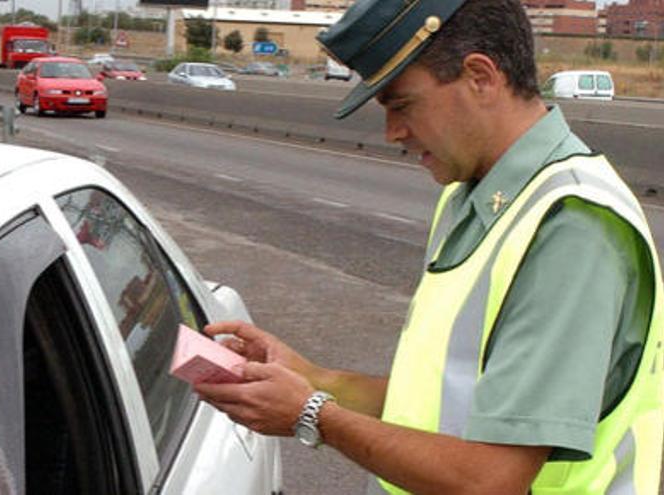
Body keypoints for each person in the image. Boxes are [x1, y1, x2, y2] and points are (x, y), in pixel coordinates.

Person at [194, 0, 664, 493]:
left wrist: (312, 414)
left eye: (402, 105)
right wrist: (314, 379)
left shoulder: (569, 227)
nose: (392, 132)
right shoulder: (472, 197)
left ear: (480, 76)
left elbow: (490, 480)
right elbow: (444, 405)